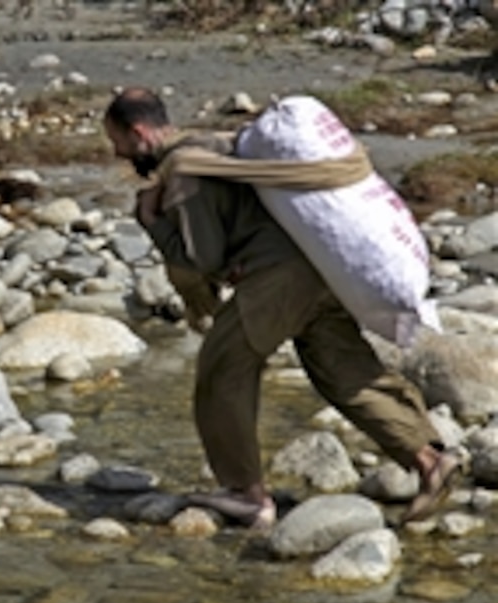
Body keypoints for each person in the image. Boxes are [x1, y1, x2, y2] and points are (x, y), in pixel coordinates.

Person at [102, 86, 463, 528]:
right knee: (341, 370)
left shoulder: (182, 171)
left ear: (138, 133)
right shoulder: (216, 145)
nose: (118, 154)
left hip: (281, 280)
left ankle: (245, 494)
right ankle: (429, 459)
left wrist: (154, 222)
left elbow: (204, 259)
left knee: (223, 367)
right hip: (324, 267)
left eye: (116, 143)